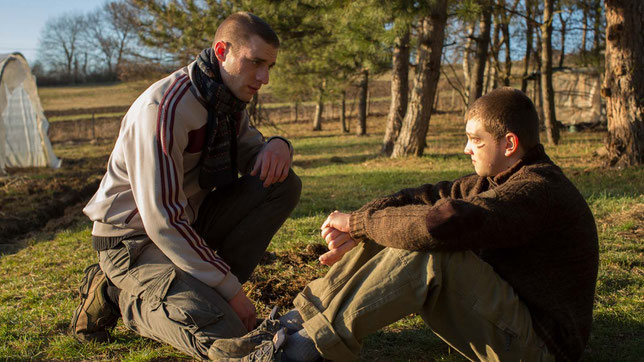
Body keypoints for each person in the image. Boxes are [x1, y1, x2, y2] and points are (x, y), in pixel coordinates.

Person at [212, 87, 599, 362]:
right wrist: (359, 226)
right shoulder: (493, 180)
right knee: (393, 225)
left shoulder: (538, 190)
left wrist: (362, 223)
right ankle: (296, 324)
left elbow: (444, 223)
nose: (466, 149)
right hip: (509, 322)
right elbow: (424, 197)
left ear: (509, 144)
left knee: (431, 255)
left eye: (474, 140)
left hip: (541, 348)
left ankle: (299, 352)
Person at [69, 12, 301, 360]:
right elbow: (161, 220)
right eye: (255, 63)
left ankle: (203, 288)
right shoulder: (164, 108)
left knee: (282, 184)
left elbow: (252, 152)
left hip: (188, 224)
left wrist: (279, 145)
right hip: (132, 240)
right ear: (221, 51)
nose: (264, 78)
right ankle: (120, 294)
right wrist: (232, 290)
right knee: (227, 332)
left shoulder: (228, 99)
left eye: (269, 66)